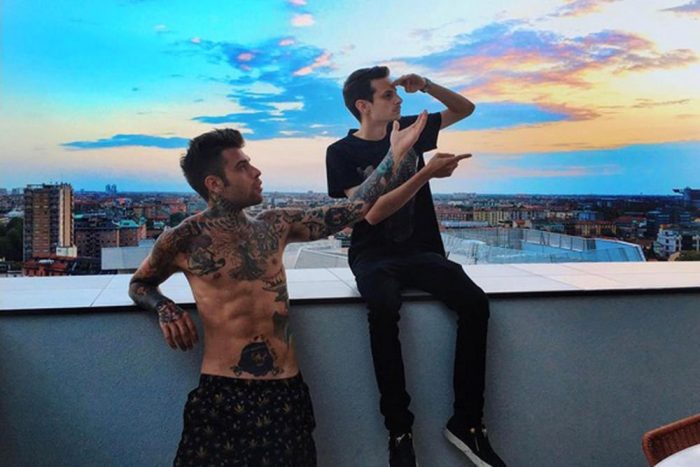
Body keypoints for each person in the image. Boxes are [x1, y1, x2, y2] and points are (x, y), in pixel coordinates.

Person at [128, 115, 427, 467]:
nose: (256, 172)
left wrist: (394, 155)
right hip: (223, 393)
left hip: (286, 392)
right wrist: (164, 307)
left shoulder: (276, 225)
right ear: (215, 184)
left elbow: (353, 209)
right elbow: (140, 283)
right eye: (242, 167)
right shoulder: (182, 239)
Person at [325, 66, 507, 467]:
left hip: (422, 251)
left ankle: (467, 422)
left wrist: (426, 84)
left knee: (475, 304)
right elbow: (371, 213)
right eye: (388, 95)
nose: (398, 100)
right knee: (383, 308)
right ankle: (399, 431)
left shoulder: (412, 127)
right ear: (363, 105)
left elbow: (465, 108)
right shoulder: (341, 152)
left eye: (397, 94)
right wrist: (425, 172)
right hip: (373, 255)